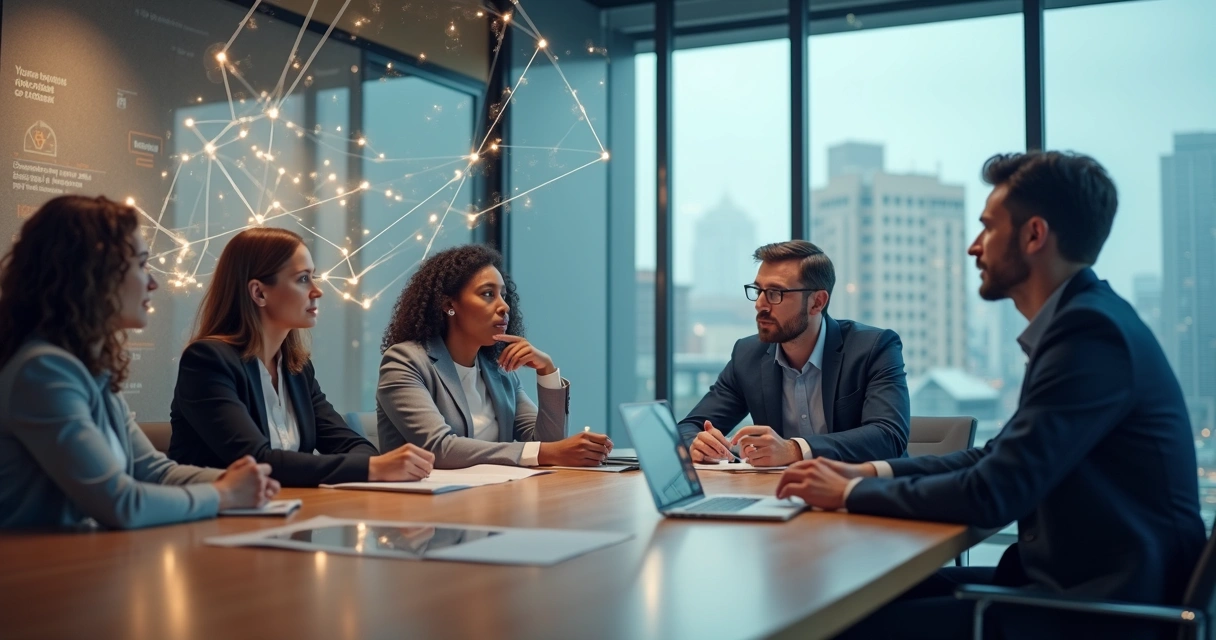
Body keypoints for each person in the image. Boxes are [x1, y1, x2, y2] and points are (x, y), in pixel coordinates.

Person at [777, 152, 1206, 639]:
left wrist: (849, 494)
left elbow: (993, 492)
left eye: (987, 227)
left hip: (1102, 612)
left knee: (840, 623)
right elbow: (995, 457)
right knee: (854, 594)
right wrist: (869, 472)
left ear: (1034, 235)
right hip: (1072, 587)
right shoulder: (1086, 320)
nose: (973, 247)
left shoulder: (1089, 334)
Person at [0, 195, 277, 530]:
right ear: (95, 273)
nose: (153, 282)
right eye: (142, 264)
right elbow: (122, 504)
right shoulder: (43, 372)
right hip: (38, 564)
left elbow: (155, 472)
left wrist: (236, 480)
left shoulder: (91, 368)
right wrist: (224, 493)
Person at [169, 227, 434, 487]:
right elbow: (256, 462)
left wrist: (371, 464)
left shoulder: (297, 369)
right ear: (259, 292)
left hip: (290, 509)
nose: (317, 291)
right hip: (218, 514)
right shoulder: (207, 361)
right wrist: (372, 468)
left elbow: (355, 446)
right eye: (303, 278)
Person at [377, 244, 610, 469]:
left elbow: (548, 444)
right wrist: (543, 452)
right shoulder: (404, 361)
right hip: (428, 496)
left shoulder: (498, 369)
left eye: (503, 295)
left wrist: (547, 372)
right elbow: (438, 448)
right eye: (488, 294)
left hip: (493, 491)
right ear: (449, 305)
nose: (504, 306)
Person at [677, 240, 910, 466]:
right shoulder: (747, 356)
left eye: (775, 293)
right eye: (758, 290)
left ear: (817, 302)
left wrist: (794, 449)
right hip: (778, 489)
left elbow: (888, 436)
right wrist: (697, 444)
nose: (759, 304)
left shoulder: (873, 348)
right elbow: (687, 429)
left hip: (863, 487)